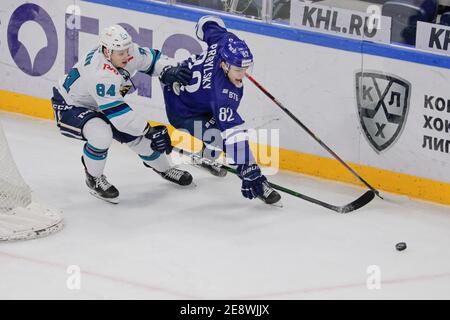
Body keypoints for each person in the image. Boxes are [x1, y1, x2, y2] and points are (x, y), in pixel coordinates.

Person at [51, 24, 194, 204]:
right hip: (71, 106)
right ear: (106, 52)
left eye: (127, 50)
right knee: (102, 135)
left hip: (101, 103)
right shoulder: (100, 74)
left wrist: (166, 69)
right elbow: (121, 118)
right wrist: (148, 129)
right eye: (121, 53)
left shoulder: (123, 51)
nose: (127, 56)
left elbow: (152, 59)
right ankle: (93, 178)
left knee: (142, 141)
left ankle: (165, 169)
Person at [163, 16, 281, 205]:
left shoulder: (226, 42)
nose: (243, 75)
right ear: (224, 64)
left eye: (246, 68)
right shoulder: (222, 95)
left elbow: (206, 22)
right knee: (220, 136)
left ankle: (206, 156)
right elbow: (233, 134)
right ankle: (259, 183)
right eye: (238, 70)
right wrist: (249, 168)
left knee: (218, 123)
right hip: (183, 110)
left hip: (195, 96)